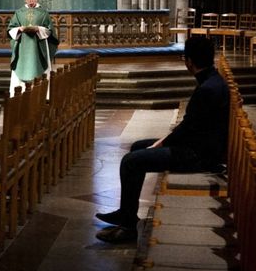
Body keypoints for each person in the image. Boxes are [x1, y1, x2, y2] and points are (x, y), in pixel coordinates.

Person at [94, 35, 229, 242]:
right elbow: (192, 125)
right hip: (199, 146)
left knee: (130, 162)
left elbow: (188, 130)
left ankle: (128, 229)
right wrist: (164, 140)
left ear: (189, 61)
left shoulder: (207, 89)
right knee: (138, 146)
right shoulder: (212, 80)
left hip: (198, 156)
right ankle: (126, 213)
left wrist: (163, 142)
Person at [7, 0, 58, 93]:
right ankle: (19, 93)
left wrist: (38, 29)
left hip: (39, 46)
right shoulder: (19, 13)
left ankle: (42, 94)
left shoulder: (43, 13)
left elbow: (50, 31)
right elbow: (11, 29)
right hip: (22, 47)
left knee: (40, 70)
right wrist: (19, 29)